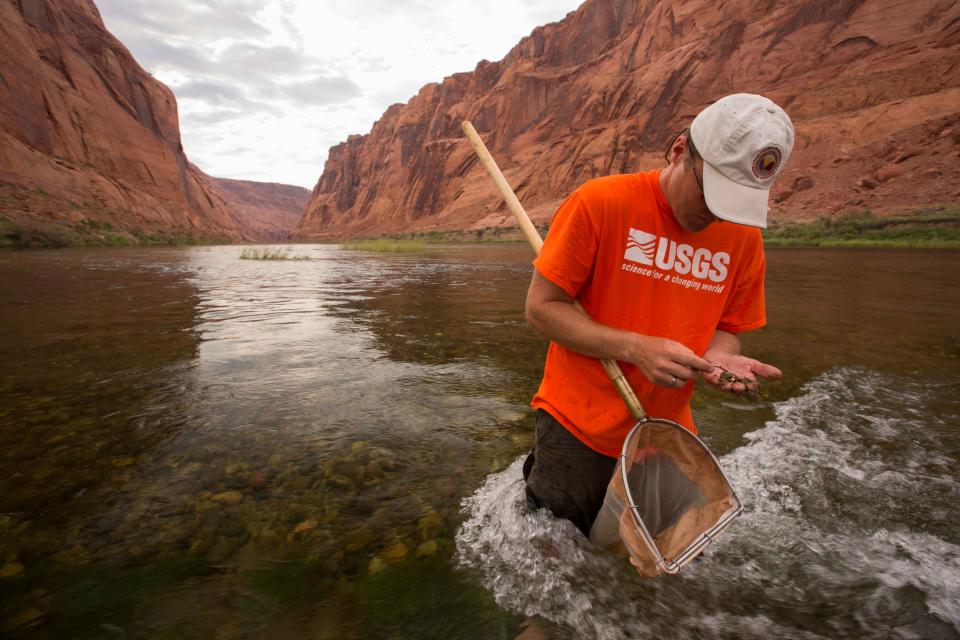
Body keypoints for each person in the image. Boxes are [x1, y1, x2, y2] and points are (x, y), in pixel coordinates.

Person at [522, 93, 794, 535]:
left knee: (652, 556)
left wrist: (719, 357)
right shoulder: (601, 203)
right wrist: (635, 347)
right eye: (710, 192)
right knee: (552, 549)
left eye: (733, 203)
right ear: (679, 150)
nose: (714, 215)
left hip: (665, 433)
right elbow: (540, 310)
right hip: (577, 425)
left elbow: (727, 328)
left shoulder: (743, 239)